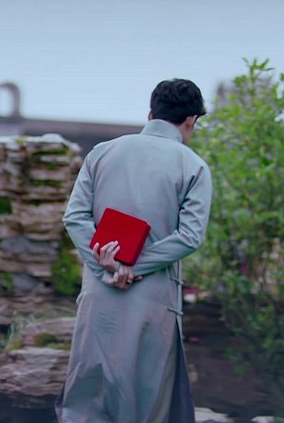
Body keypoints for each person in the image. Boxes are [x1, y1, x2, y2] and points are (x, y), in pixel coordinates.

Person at [56, 79, 212, 423]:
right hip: (152, 298)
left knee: (87, 401)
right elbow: (189, 237)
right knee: (146, 402)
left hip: (99, 294)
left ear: (150, 114)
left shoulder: (102, 153)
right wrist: (133, 267)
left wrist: (107, 266)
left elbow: (75, 217)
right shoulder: (192, 166)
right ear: (191, 120)